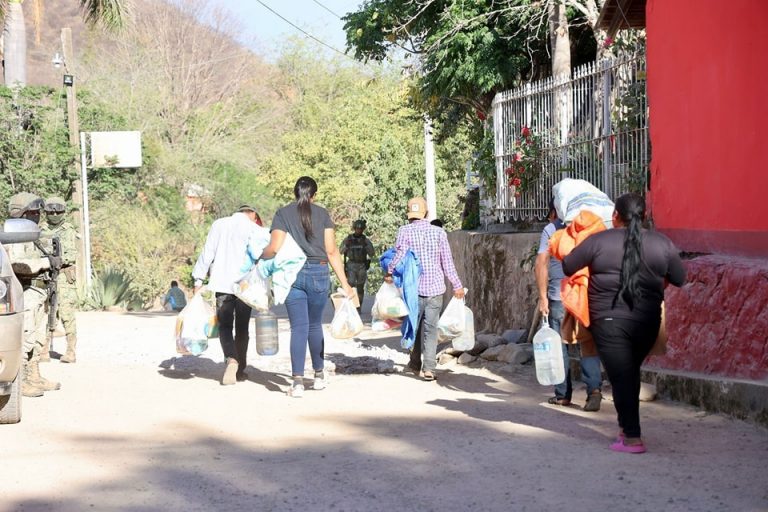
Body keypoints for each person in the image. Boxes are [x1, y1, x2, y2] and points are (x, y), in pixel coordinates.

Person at [562, 193, 685, 454]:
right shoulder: (661, 243)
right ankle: (626, 429)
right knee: (627, 374)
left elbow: (568, 265)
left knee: (623, 377)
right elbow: (679, 277)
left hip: (608, 321)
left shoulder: (598, 241)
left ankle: (632, 437)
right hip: (647, 322)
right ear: (644, 216)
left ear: (615, 216)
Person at [260, 176, 354, 398]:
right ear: (314, 195)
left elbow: (274, 248)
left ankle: (297, 383)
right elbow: (331, 251)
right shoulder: (322, 214)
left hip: (292, 274)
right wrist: (345, 283)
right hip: (319, 272)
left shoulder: (283, 213)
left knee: (298, 328)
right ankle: (319, 376)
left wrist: (259, 257)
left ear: (295, 193)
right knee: (314, 325)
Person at [384, 197, 464, 381]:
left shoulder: (404, 231)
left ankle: (414, 362)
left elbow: (399, 256)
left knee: (414, 325)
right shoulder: (439, 233)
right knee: (431, 329)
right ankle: (429, 369)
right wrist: (457, 285)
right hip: (435, 288)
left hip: (413, 289)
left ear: (409, 214)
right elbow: (447, 263)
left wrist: (389, 272)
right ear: (426, 213)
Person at [535, 199, 602, 411]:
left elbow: (541, 263)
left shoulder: (551, 230)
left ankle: (563, 395)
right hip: (584, 296)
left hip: (559, 296)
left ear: (555, 212)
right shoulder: (591, 229)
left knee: (559, 346)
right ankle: (594, 390)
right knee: (587, 343)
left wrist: (543, 297)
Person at [192, 205, 263, 385]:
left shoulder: (219, 224)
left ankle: (231, 359)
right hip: (245, 287)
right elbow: (260, 257)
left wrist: (198, 280)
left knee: (224, 326)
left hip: (222, 284)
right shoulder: (254, 228)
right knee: (242, 327)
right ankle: (240, 370)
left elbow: (207, 252)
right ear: (252, 215)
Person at [6, 193, 61, 396]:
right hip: (25, 291)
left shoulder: (32, 234)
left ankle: (34, 376)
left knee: (38, 338)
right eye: (33, 212)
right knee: (25, 338)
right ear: (22, 213)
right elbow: (18, 265)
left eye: (38, 212)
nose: (38, 215)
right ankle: (20, 382)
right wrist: (46, 262)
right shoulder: (13, 234)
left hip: (39, 291)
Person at [41, 196, 79, 363]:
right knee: (46, 313)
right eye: (51, 212)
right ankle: (43, 350)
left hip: (63, 275)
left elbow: (72, 255)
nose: (55, 214)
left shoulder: (68, 230)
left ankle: (70, 351)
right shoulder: (41, 229)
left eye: (58, 211)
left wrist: (59, 260)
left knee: (66, 313)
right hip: (46, 275)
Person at [340, 219, 374, 313]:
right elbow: (340, 250)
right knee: (350, 284)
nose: (359, 231)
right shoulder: (348, 239)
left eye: (361, 229)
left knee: (360, 287)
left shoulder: (365, 240)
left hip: (361, 265)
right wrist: (346, 246)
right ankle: (350, 305)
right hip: (351, 264)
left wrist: (366, 246)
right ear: (354, 228)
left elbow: (372, 253)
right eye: (357, 229)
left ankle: (358, 307)